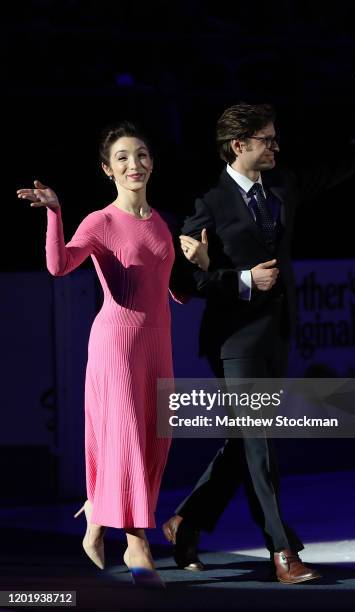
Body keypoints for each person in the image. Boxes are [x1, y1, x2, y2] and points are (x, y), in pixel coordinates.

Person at [163, 75, 355, 584]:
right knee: (260, 442)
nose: (276, 146)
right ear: (238, 144)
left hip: (278, 331)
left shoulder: (283, 183)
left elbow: (337, 168)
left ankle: (187, 521)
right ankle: (282, 551)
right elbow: (185, 280)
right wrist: (240, 277)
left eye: (275, 138)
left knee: (247, 440)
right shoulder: (208, 204)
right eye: (267, 139)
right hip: (234, 339)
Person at [16, 121, 209, 589]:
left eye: (141, 155)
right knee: (125, 439)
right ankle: (136, 540)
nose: (133, 164)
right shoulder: (100, 221)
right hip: (117, 344)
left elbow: (171, 290)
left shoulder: (161, 220)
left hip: (157, 343)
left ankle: (96, 521)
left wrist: (200, 264)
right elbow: (59, 265)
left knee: (150, 442)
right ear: (108, 169)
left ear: (152, 163)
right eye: (122, 157)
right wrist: (55, 213)